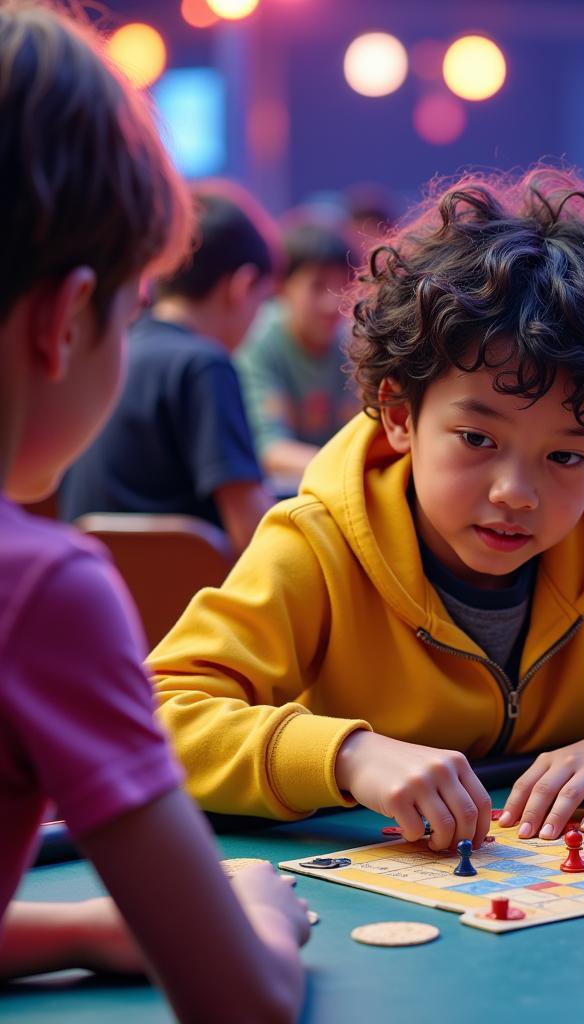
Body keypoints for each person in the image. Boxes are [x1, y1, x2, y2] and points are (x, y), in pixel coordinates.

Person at [146, 170, 584, 852]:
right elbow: (157, 718)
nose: (517, 493)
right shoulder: (317, 545)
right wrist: (348, 756)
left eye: (567, 456)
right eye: (478, 439)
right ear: (397, 414)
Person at [0, 3, 309, 1019]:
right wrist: (255, 903)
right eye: (130, 313)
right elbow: (244, 998)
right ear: (63, 318)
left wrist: (93, 922)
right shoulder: (40, 586)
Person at [59, 181, 277, 553]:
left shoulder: (116, 352)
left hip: (101, 589)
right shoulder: (206, 366)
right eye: (264, 300)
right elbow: (254, 536)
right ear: (242, 286)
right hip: (186, 604)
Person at [235, 219, 362, 479]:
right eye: (317, 286)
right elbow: (269, 450)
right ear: (281, 288)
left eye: (343, 287)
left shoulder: (356, 342)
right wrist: (350, 470)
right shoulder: (260, 341)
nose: (333, 304)